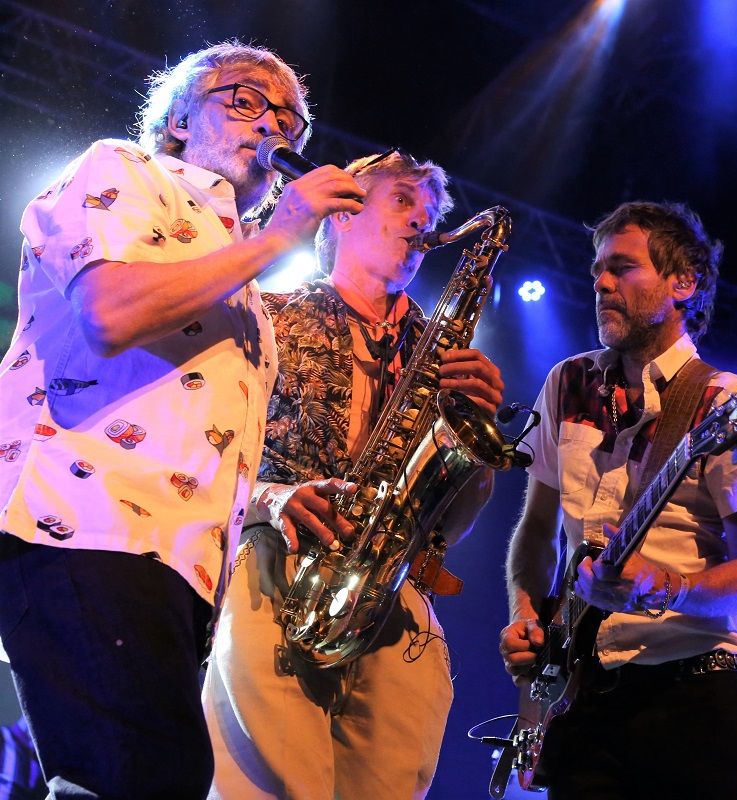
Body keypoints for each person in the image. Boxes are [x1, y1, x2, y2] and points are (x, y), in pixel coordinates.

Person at [0, 41, 364, 797]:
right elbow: (108, 313)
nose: (272, 125)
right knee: (143, 772)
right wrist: (274, 240)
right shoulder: (125, 171)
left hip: (179, 564)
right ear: (174, 119)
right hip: (86, 523)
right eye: (243, 100)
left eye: (289, 117)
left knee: (138, 775)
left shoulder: (242, 273)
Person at [202, 148, 505, 799]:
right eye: (402, 201)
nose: (421, 224)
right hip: (278, 565)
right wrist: (269, 498)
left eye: (429, 214)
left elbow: (455, 520)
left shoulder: (443, 352)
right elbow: (203, 449)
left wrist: (478, 441)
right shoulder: (268, 313)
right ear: (341, 214)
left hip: (394, 589)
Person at [500, 201, 737, 798]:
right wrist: (526, 615)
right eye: (598, 269)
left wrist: (663, 586)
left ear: (684, 282)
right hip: (586, 698)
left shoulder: (724, 402)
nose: (602, 282)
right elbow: (536, 529)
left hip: (699, 694)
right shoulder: (566, 382)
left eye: (623, 268)